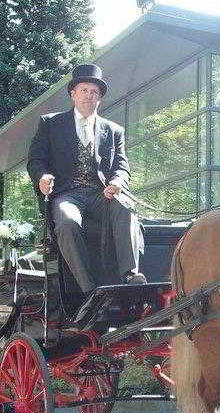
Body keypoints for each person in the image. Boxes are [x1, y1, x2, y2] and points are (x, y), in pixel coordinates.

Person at [27, 63, 145, 292]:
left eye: (94, 92)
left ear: (99, 98)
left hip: (100, 194)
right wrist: (42, 176)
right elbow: (36, 160)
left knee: (127, 208)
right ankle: (88, 288)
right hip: (67, 194)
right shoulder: (50, 123)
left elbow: (122, 166)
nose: (89, 95)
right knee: (67, 222)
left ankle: (131, 275)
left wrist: (116, 182)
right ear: (73, 94)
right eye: (84, 90)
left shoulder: (114, 130)